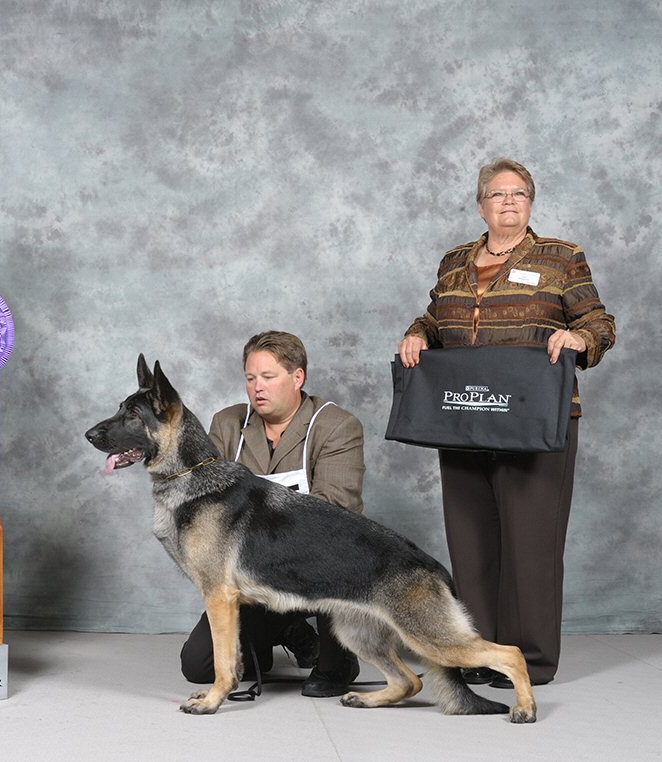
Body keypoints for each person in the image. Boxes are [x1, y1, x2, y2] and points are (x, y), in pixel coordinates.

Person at [398, 157, 615, 687]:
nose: (509, 201)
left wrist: (581, 338)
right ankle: (480, 652)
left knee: (531, 543)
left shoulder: (560, 257)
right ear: (481, 205)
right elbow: (434, 315)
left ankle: (532, 659)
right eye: (498, 194)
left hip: (535, 419)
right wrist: (417, 333)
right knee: (471, 542)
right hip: (464, 415)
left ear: (531, 203)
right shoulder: (454, 260)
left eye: (519, 193)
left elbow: (597, 320)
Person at [180, 331, 365, 697]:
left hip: (319, 567)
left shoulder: (337, 425)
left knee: (326, 674)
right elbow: (204, 501)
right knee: (197, 666)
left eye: (268, 377)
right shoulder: (227, 423)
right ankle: (285, 631)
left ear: (298, 378)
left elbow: (334, 509)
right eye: (250, 378)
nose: (257, 388)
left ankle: (339, 657)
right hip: (254, 574)